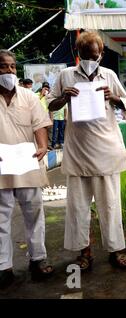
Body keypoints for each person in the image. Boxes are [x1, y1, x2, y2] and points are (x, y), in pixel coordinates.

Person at [47, 31, 126, 271]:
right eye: (85, 55)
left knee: (110, 204)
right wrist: (64, 98)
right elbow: (50, 104)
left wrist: (113, 97)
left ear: (101, 54)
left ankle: (117, 250)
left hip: (106, 150)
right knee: (78, 206)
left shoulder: (109, 75)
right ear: (77, 53)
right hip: (78, 150)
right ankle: (84, 252)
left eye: (94, 55)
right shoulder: (66, 75)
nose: (89, 59)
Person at [0, 50, 54, 288]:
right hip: (1, 166)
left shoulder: (29, 97)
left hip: (27, 162)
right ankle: (3, 266)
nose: (10, 71)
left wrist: (42, 146)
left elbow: (40, 124)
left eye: (13, 67)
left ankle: (38, 259)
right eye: (4, 67)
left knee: (34, 213)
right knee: (1, 218)